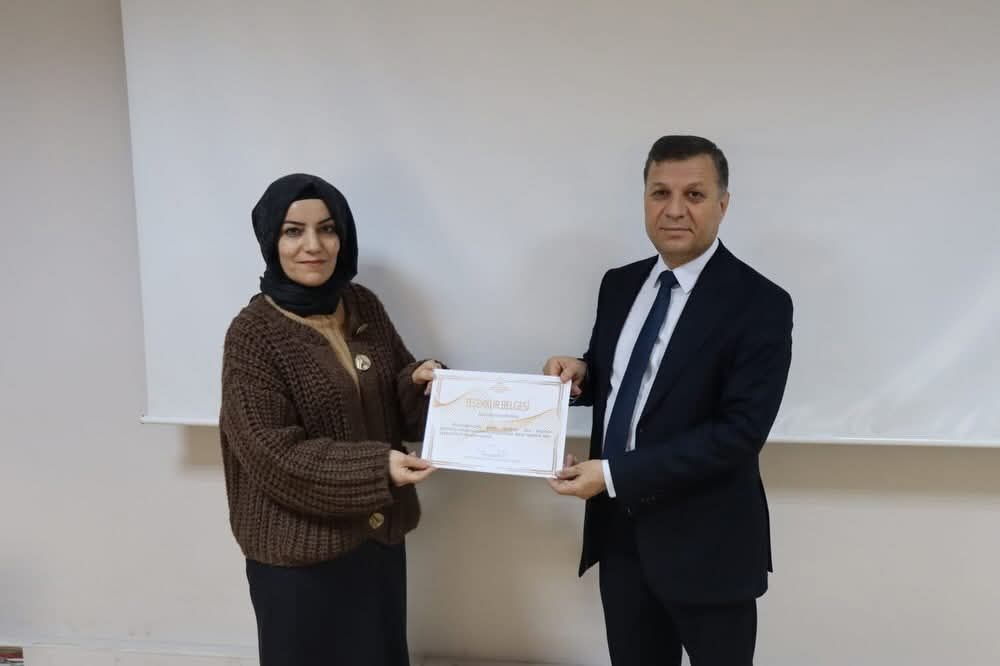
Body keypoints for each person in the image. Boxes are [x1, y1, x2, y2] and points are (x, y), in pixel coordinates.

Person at [544, 136, 793, 666]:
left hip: (710, 545)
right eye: (660, 192)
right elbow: (629, 378)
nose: (675, 209)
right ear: (644, 199)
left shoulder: (761, 303)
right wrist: (582, 374)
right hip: (620, 537)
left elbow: (740, 433)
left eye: (694, 195)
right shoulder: (619, 285)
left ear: (723, 204)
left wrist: (613, 474)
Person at [219, 173, 440, 666]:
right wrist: (378, 467)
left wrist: (421, 382)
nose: (314, 246)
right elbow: (272, 454)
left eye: (327, 228)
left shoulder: (361, 305)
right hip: (298, 561)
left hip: (376, 543)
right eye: (293, 231)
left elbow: (394, 402)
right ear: (270, 240)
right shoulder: (253, 334)